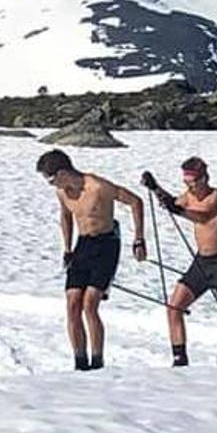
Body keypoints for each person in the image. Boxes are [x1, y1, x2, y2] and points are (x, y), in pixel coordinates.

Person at [144, 157, 217, 367]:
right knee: (174, 307)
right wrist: (155, 188)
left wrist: (176, 208)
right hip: (200, 263)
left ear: (204, 178)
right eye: (186, 182)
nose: (190, 187)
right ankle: (180, 360)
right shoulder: (189, 196)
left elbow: (203, 216)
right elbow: (172, 202)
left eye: (194, 182)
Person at [36, 149, 147, 370]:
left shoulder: (97, 187)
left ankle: (97, 361)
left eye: (51, 180)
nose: (51, 186)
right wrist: (67, 248)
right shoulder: (63, 193)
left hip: (106, 244)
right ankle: (80, 361)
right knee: (72, 303)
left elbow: (136, 202)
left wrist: (139, 239)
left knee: (90, 304)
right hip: (83, 245)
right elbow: (66, 216)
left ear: (62, 173)